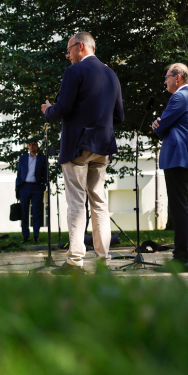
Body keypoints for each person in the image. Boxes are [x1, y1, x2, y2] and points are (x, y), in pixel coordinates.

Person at [41, 31, 124, 274]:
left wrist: (48, 110)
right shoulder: (112, 75)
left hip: (77, 146)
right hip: (103, 146)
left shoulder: (74, 72)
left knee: (76, 203)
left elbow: (62, 108)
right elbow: (119, 116)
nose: (67, 56)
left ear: (80, 47)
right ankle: (103, 261)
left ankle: (75, 262)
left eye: (69, 50)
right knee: (99, 204)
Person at [153, 63, 188, 271]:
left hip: (178, 159)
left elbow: (161, 126)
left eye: (167, 77)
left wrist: (158, 125)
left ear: (178, 78)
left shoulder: (178, 97)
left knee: (180, 209)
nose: (165, 81)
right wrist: (163, 125)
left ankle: (180, 260)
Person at [15, 141, 47, 243]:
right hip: (25, 186)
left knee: (36, 212)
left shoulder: (42, 158)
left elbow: (45, 173)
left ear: (37, 145)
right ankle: (26, 236)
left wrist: (43, 185)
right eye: (30, 145)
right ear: (28, 146)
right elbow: (19, 173)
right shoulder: (23, 158)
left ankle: (36, 236)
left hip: (37, 187)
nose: (32, 146)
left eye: (33, 144)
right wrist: (18, 187)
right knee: (24, 212)